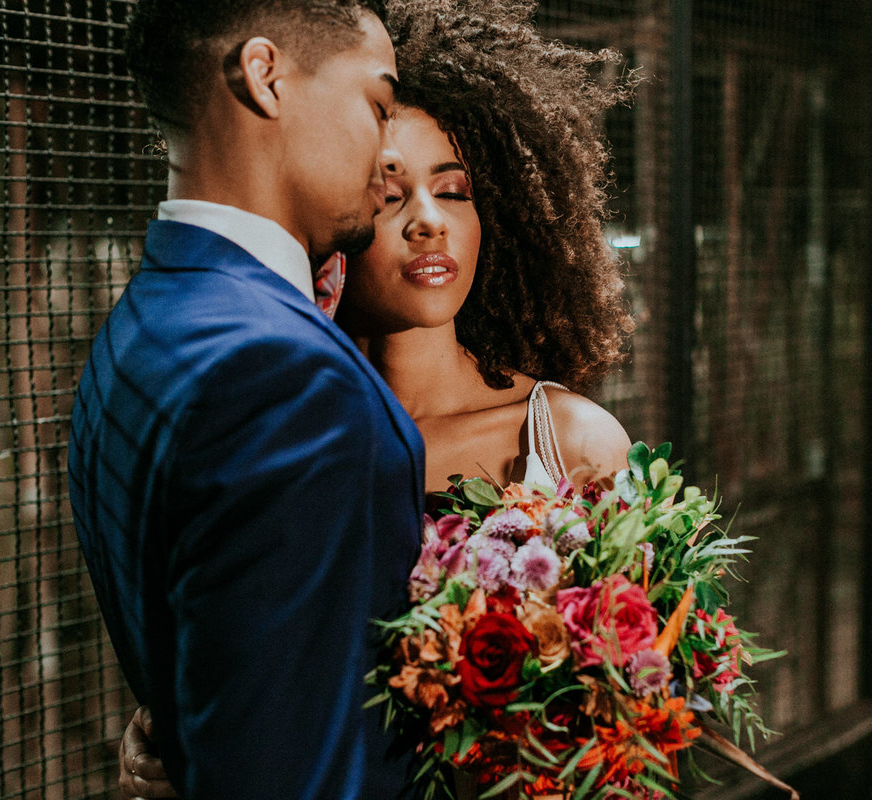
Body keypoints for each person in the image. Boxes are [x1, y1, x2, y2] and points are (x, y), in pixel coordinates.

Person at [116, 1, 636, 796]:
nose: (428, 222)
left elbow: (638, 721)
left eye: (454, 190)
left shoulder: (569, 443)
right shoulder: (286, 430)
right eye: (392, 197)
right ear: (343, 218)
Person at [67, 1, 427, 799]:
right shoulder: (292, 380)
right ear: (265, 77)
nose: (391, 156)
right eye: (377, 106)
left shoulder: (137, 329)